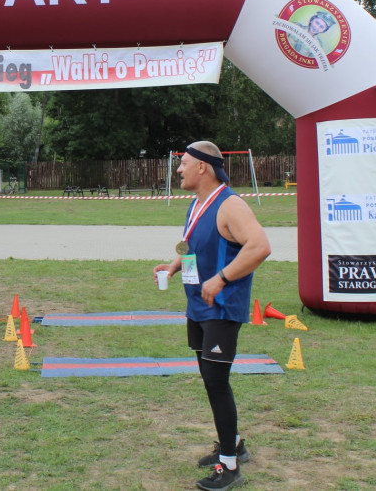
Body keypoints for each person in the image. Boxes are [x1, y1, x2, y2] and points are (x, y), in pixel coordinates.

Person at [154, 141, 271, 490]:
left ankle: (230, 466)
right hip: (198, 306)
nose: (179, 170)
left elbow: (260, 246)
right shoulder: (197, 203)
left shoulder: (230, 204)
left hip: (222, 308)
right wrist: (175, 265)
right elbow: (193, 244)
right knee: (209, 378)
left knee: (217, 382)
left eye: (184, 163)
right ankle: (232, 443)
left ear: (202, 167)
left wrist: (222, 278)